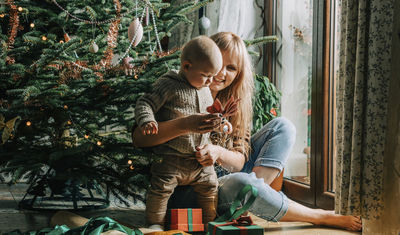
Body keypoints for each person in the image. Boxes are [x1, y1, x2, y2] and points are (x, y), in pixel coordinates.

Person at [132, 32, 362, 231]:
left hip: (223, 178)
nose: (221, 73)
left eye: (231, 68)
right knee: (242, 183)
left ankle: (250, 199)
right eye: (219, 63)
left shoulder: (233, 102)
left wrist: (217, 152)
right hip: (186, 187)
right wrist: (184, 125)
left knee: (283, 127)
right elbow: (140, 139)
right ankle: (318, 216)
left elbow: (239, 161)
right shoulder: (175, 87)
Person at [134, 35, 228, 231]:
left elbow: (210, 113)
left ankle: (209, 224)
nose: (210, 81)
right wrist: (147, 120)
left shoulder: (204, 89)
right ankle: (155, 225)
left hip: (198, 159)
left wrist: (220, 123)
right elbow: (145, 102)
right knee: (160, 190)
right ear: (186, 66)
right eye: (205, 75)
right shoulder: (168, 84)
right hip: (171, 157)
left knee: (211, 186)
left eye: (213, 76)